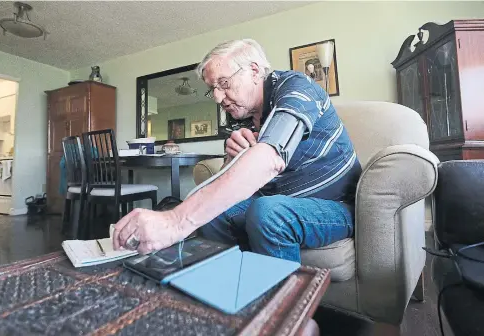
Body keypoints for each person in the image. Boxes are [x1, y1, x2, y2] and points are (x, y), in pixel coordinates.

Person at [113, 39, 362, 263]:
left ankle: (283, 310)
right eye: (213, 89)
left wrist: (176, 222)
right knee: (216, 212)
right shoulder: (239, 119)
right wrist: (232, 158)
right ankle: (231, 286)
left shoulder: (296, 88)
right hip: (280, 200)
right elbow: (227, 184)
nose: (218, 98)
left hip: (336, 205)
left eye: (224, 83)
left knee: (268, 212)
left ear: (254, 71)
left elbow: (270, 159)